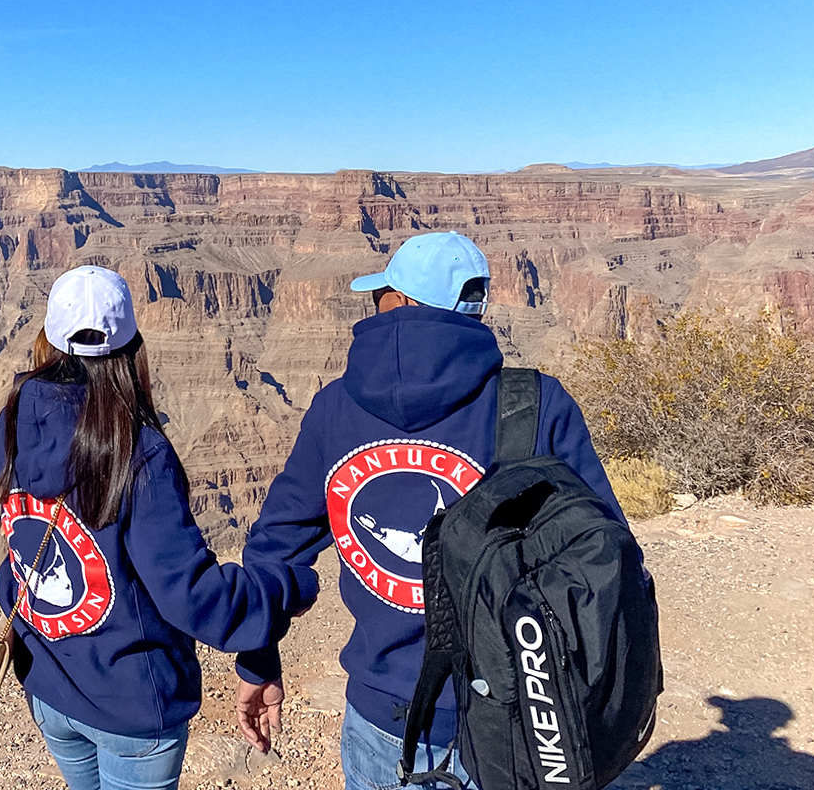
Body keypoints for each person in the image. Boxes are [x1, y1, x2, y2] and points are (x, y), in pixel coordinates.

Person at [230, 231, 626, 790]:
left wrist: (258, 658)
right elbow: (606, 555)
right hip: (519, 717)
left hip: (383, 716)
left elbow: (275, 547)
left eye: (381, 295)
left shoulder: (335, 409)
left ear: (402, 302)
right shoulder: (536, 404)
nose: (376, 305)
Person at [0, 265, 317, 790]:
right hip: (131, 708)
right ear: (132, 349)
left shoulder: (14, 419)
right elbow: (191, 595)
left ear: (47, 338)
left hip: (49, 681)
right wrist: (282, 588)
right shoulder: (139, 454)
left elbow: (21, 532)